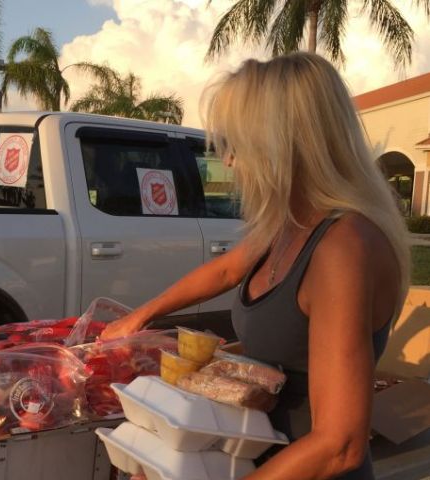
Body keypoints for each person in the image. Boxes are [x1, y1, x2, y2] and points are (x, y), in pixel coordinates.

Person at [101, 52, 409, 480]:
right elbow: (225, 272)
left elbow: (339, 447)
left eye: (234, 143)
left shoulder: (343, 247)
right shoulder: (287, 227)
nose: (227, 161)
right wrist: (141, 316)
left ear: (282, 142)